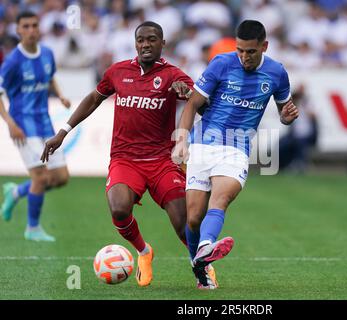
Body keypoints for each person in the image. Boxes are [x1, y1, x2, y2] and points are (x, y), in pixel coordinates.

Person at [41, 21, 217, 289]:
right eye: (141, 40)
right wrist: (63, 132)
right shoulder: (117, 71)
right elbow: (93, 99)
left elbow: (198, 104)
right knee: (119, 208)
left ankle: (202, 267)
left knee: (184, 223)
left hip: (162, 162)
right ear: (135, 43)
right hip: (125, 160)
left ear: (162, 43)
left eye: (152, 39)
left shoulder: (173, 75)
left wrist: (188, 94)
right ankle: (144, 252)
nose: (145, 44)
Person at [172, 20, 299, 288]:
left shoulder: (277, 73)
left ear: (264, 46)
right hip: (202, 143)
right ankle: (199, 265)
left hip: (236, 147)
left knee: (221, 198)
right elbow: (193, 103)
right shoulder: (221, 63)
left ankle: (207, 247)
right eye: (240, 50)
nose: (244, 57)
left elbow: (284, 112)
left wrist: (287, 118)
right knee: (193, 218)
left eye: (250, 52)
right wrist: (181, 141)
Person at [0, 11, 71, 242]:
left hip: (44, 122)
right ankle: (32, 229)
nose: (31, 30)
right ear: (19, 30)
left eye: (34, 25)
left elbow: (50, 77)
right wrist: (10, 124)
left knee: (60, 177)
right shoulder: (13, 62)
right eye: (26, 26)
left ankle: (16, 192)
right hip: (22, 124)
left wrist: (60, 95)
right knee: (40, 177)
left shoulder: (47, 53)